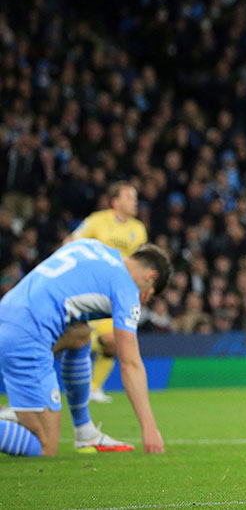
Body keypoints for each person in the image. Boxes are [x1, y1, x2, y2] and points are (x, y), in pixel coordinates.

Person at [0, 240, 170, 456]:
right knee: (44, 446)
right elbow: (130, 363)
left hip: (8, 312)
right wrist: (149, 429)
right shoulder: (126, 288)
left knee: (80, 335)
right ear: (151, 277)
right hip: (27, 335)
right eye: (149, 293)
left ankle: (85, 432)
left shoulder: (90, 246)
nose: (143, 299)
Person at [68, 181, 148, 406]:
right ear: (116, 201)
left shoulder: (138, 229)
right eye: (130, 197)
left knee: (115, 343)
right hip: (93, 289)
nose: (135, 202)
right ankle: (70, 342)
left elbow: (140, 263)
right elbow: (71, 242)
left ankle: (94, 388)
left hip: (120, 293)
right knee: (110, 339)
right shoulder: (97, 221)